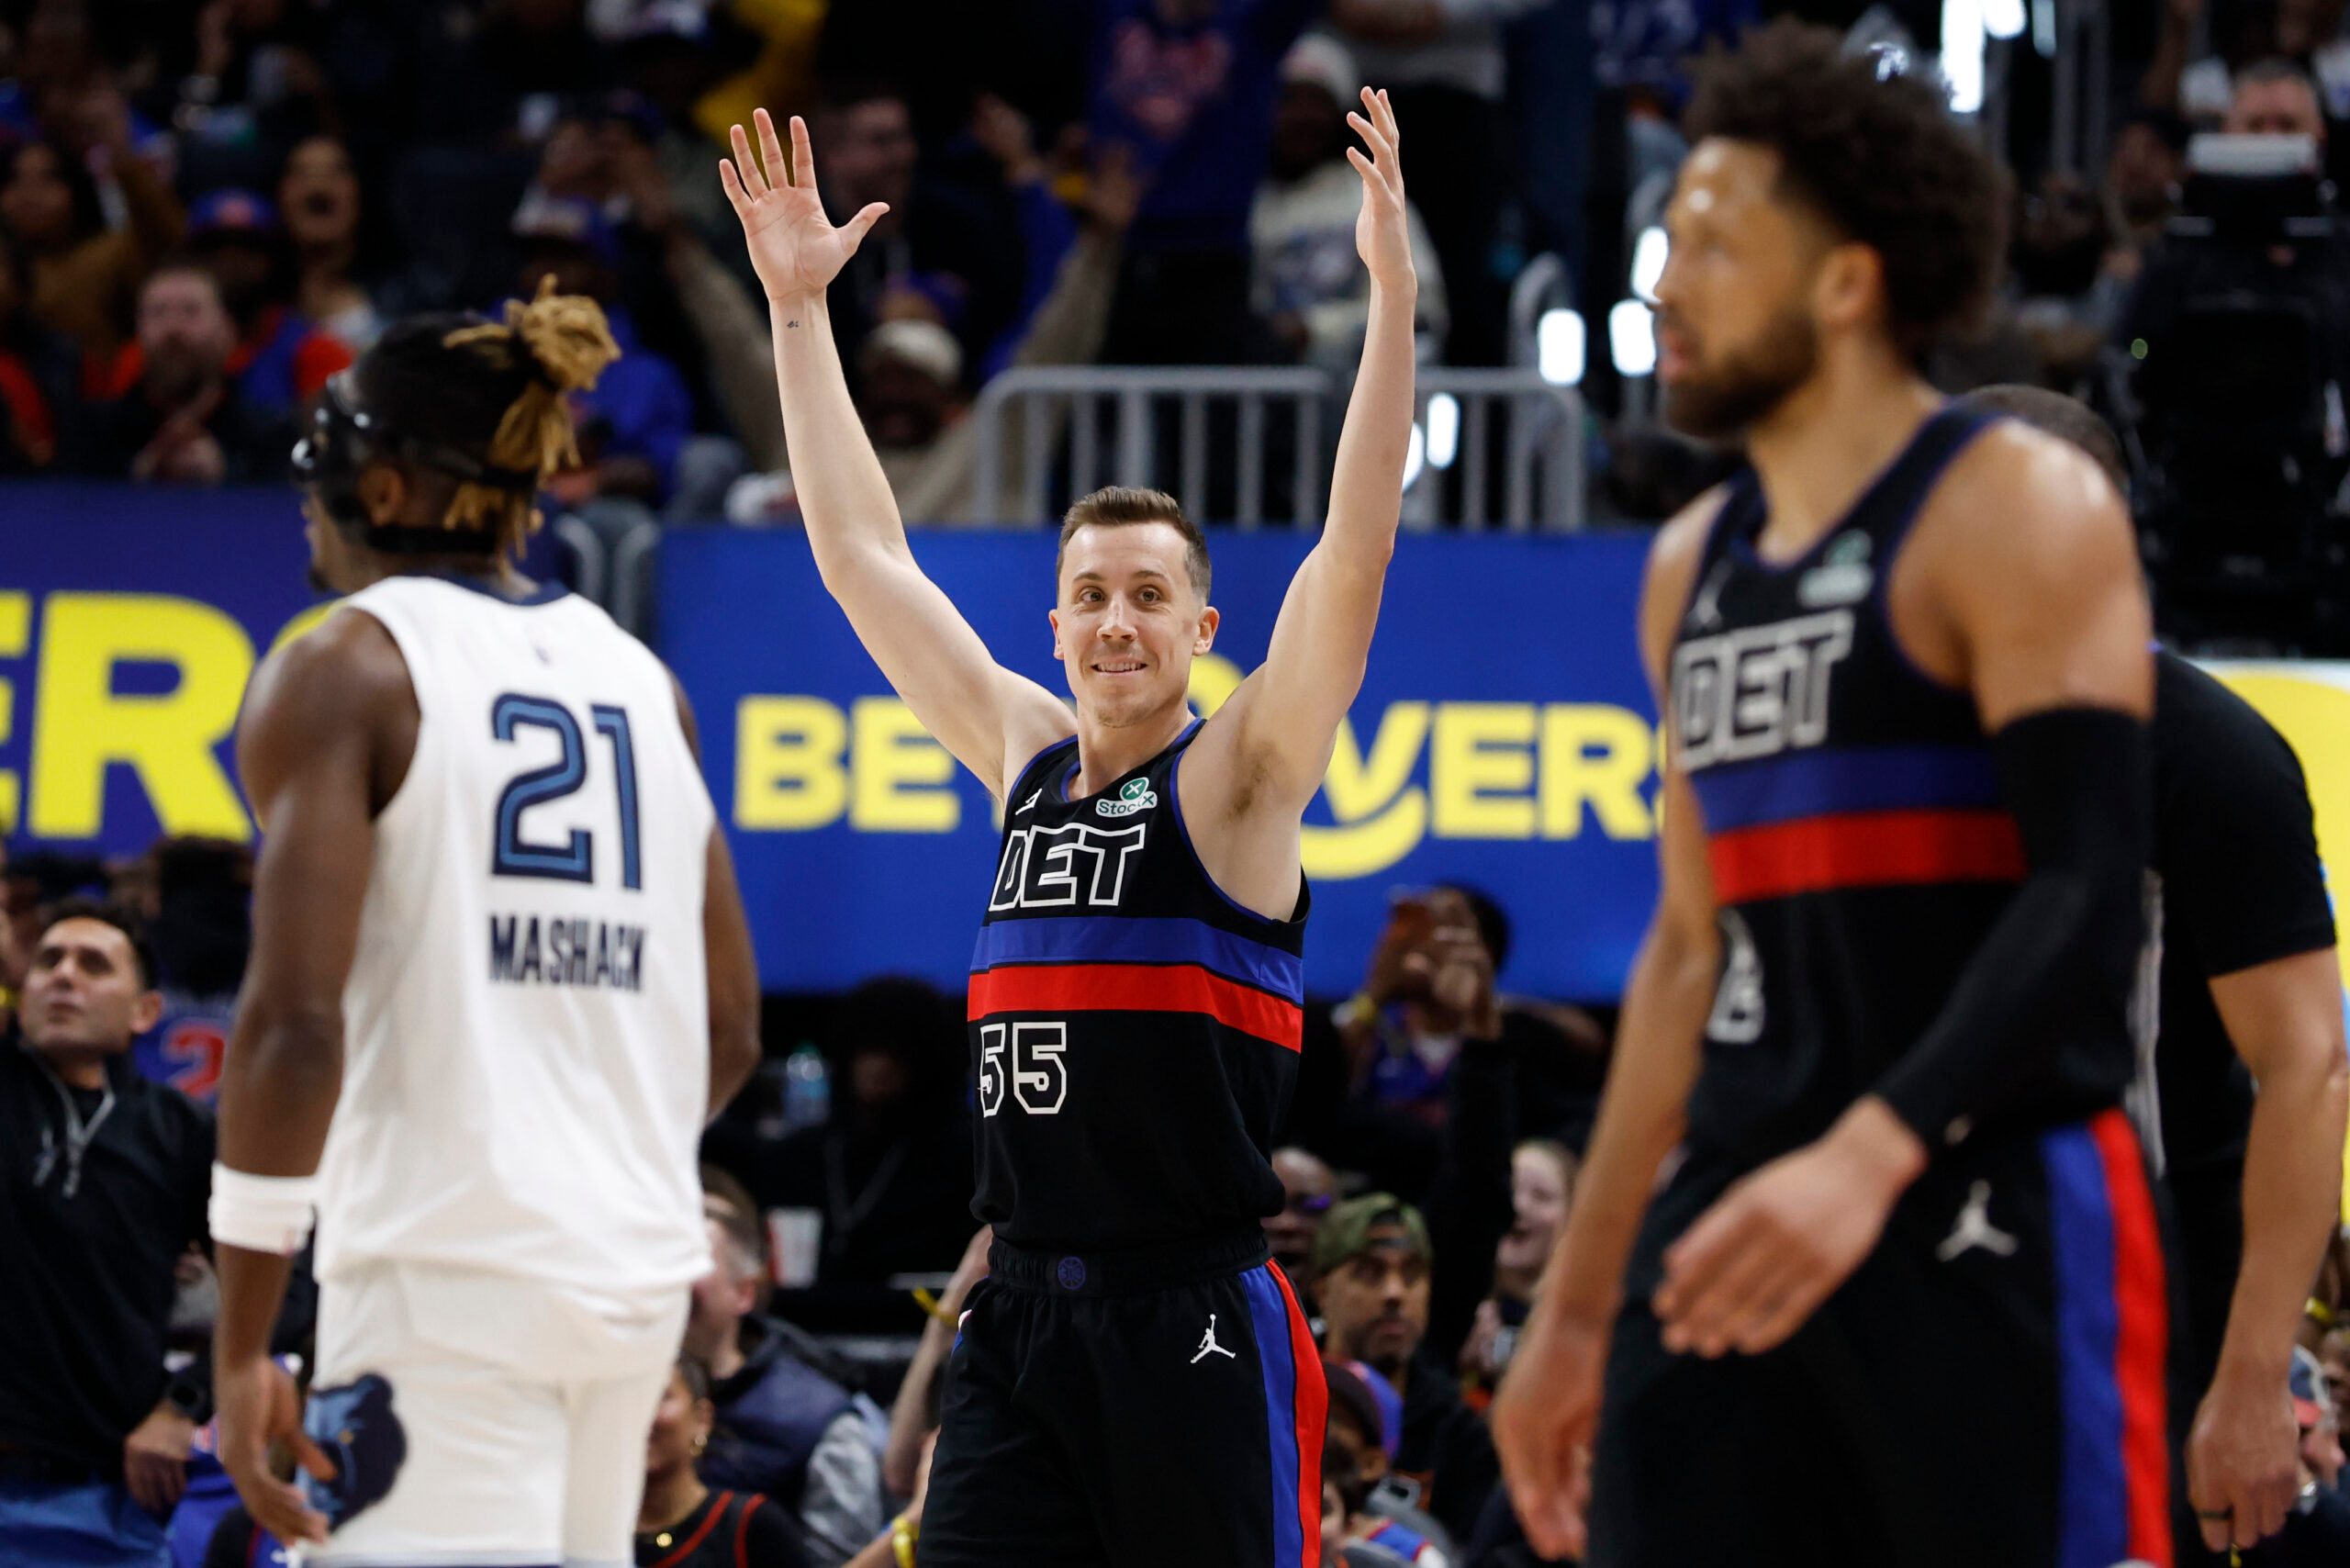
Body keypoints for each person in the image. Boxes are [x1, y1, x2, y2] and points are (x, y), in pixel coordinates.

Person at [1493, 23, 2161, 1567]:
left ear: (1847, 284)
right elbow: (1685, 948)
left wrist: (1872, 1150)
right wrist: (1578, 1307)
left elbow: (2083, 894)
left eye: (1714, 243)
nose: (1664, 282)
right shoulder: (1690, 566)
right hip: (1739, 1202)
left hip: (1983, 1189)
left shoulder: (2017, 506)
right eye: (1668, 239)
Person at [722, 87, 1418, 1564]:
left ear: (1203, 629)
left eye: (1149, 595)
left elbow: (1353, 558)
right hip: (1022, 1305)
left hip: (1193, 1308)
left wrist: (1393, 300)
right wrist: (797, 310)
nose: (1115, 621)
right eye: (1090, 595)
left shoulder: (1239, 778)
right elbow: (859, 556)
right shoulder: (1024, 758)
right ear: (1052, 625)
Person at [204, 282, 765, 1564]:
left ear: (382, 484)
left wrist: (241, 1342)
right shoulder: (644, 681)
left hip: (442, 1281)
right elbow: (729, 1028)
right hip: (631, 1282)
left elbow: (292, 1027)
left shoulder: (344, 664)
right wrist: (584, 1162)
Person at [1959, 383, 2350, 1564]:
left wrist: (2251, 1377)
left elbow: (2307, 1067)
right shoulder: (1879, 736)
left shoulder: (2207, 754)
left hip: (2144, 1279)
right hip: (1931, 1274)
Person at [0, 902, 215, 1568]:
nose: (64, 976)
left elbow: (287, 1285)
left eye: (93, 965)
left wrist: (185, 1403)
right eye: (48, 962)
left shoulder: (180, 1130)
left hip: (105, 1506)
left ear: (145, 1012)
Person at [686, 1188, 884, 1568]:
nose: (671, 1277)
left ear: (744, 1292)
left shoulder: (820, 1421)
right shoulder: (616, 1393)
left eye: (692, 1261)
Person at [1314, 1195, 1498, 1547]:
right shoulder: (1278, 1397)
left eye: (1412, 1274)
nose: (1394, 1293)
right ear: (1322, 1291)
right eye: (1369, 1272)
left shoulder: (1461, 1432)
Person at [68, 264, 292, 484]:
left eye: (190, 311)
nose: (173, 327)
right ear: (138, 328)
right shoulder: (93, 431)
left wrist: (229, 474)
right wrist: (136, 474)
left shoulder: (272, 432)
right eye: (158, 312)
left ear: (226, 330)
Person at [637, 1357, 810, 1568]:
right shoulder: (599, 1533)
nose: (639, 1416)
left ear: (702, 1419)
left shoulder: (754, 1527)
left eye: (658, 1397)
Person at [1459, 1142, 1577, 1395]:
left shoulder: (1581, 1327)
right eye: (1510, 1189)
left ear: (1573, 1218)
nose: (1519, 1206)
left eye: (1541, 1196)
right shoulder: (1456, 1305)